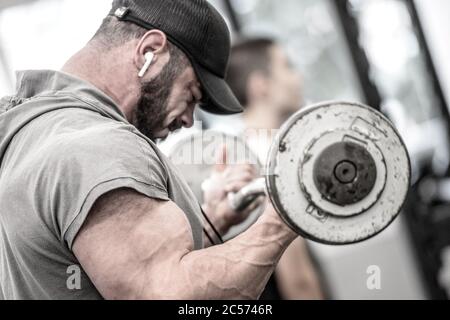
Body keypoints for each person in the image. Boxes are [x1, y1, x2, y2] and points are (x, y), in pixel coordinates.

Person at [0, 0, 299, 300]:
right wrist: (287, 215)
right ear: (149, 52)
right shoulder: (101, 148)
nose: (188, 119)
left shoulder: (27, 131)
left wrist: (212, 221)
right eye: (191, 94)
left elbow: (93, 274)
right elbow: (173, 297)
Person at [224, 38, 324, 300]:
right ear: (261, 85)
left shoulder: (244, 156)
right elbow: (298, 281)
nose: (297, 77)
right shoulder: (270, 162)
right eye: (287, 66)